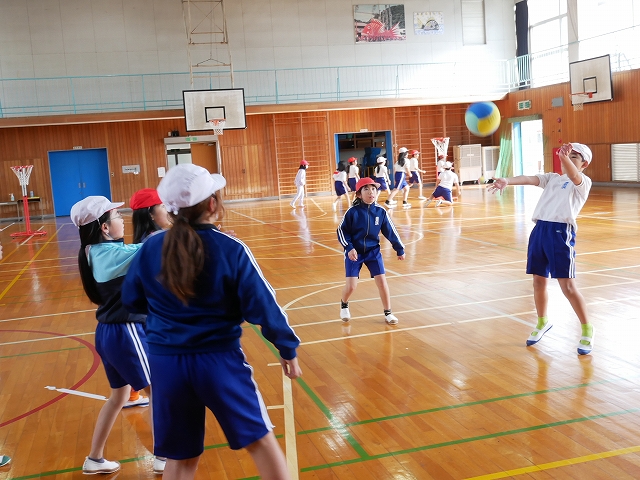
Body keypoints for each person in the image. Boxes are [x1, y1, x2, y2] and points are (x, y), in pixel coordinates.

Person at [121, 164, 302, 480]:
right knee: (260, 442)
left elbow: (131, 300)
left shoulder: (150, 248)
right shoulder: (231, 249)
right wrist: (287, 347)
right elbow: (264, 306)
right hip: (219, 361)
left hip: (166, 364)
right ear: (212, 204)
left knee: (181, 457)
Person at [70, 196, 165, 475]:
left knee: (119, 396)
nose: (122, 220)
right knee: (157, 390)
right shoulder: (108, 255)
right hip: (125, 330)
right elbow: (149, 247)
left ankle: (94, 458)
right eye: (117, 216)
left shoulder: (95, 251)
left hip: (109, 332)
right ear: (104, 228)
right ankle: (163, 455)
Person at [488, 142, 595, 355]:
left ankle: (587, 329)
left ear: (584, 164)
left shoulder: (582, 183)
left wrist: (564, 157)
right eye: (567, 155)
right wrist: (507, 180)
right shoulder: (553, 179)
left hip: (560, 234)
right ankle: (542, 321)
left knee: (568, 287)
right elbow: (529, 179)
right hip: (539, 231)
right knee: (538, 281)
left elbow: (574, 175)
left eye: (574, 157)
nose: (568, 159)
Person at [126, 188, 173, 408]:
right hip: (161, 318)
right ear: (151, 215)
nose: (168, 210)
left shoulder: (145, 240)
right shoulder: (157, 241)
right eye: (162, 206)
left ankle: (133, 393)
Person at [337, 177, 405, 325]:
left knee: (382, 283)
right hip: (354, 253)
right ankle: (344, 304)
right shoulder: (352, 212)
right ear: (359, 194)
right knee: (351, 286)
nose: (371, 192)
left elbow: (391, 231)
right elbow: (341, 231)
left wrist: (399, 248)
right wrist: (349, 248)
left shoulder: (380, 211)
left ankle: (388, 313)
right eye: (366, 189)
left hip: (373, 252)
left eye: (373, 189)